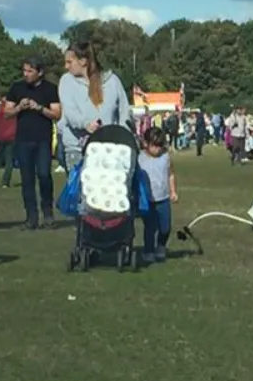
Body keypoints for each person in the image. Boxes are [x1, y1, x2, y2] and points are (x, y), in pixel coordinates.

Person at [4, 57, 61, 230]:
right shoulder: (17, 87)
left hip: (42, 139)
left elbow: (57, 114)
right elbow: (6, 112)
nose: (26, 74)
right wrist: (19, 108)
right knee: (27, 180)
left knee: (44, 175)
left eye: (30, 71)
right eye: (24, 71)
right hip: (23, 140)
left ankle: (48, 212)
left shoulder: (50, 89)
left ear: (40, 72)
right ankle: (31, 217)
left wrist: (39, 108)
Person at [59, 41, 131, 171]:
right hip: (77, 149)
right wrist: (86, 124)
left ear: (83, 61)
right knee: (80, 190)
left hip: (109, 149)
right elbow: (70, 112)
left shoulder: (112, 81)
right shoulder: (66, 81)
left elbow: (124, 111)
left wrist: (125, 136)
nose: (66, 66)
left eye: (69, 62)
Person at [138, 127, 178, 263]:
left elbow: (170, 174)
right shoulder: (139, 158)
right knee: (150, 227)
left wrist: (173, 191)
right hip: (147, 200)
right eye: (155, 146)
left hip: (163, 198)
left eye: (160, 146)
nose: (158, 149)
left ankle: (161, 246)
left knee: (165, 227)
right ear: (146, 144)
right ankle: (148, 251)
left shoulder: (165, 157)